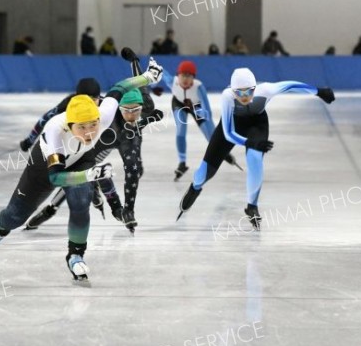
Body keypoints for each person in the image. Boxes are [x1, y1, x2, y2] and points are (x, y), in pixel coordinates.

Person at [0, 59, 164, 284]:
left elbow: (119, 88)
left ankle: (75, 255)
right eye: (81, 127)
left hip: (81, 159)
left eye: (93, 125)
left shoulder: (105, 114)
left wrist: (149, 77)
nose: (90, 132)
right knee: (15, 216)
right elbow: (55, 177)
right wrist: (89, 175)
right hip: (44, 168)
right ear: (69, 126)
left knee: (81, 200)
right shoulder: (55, 131)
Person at [177, 68, 335, 229]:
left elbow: (290, 85)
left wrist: (318, 91)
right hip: (233, 125)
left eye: (249, 92)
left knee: (254, 159)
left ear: (255, 88)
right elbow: (228, 133)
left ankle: (252, 206)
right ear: (233, 91)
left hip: (256, 125)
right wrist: (250, 143)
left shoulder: (265, 89)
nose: (245, 97)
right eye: (240, 93)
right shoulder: (227, 96)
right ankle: (194, 188)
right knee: (204, 173)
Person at [24, 88, 164, 234]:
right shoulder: (106, 112)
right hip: (102, 142)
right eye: (125, 110)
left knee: (134, 169)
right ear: (117, 108)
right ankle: (52, 208)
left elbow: (142, 85)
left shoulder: (145, 109)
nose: (130, 115)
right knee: (82, 170)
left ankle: (127, 211)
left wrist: (148, 120)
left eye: (136, 110)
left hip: (126, 140)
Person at [159, 61, 239, 180]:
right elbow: (161, 72)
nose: (185, 79)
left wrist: (200, 113)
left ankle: (223, 153)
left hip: (196, 106)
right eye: (183, 75)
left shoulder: (198, 87)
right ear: (178, 75)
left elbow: (208, 112)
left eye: (189, 75)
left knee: (211, 136)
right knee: (181, 130)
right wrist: (156, 68)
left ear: (193, 77)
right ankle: (182, 163)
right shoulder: (172, 82)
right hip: (179, 104)